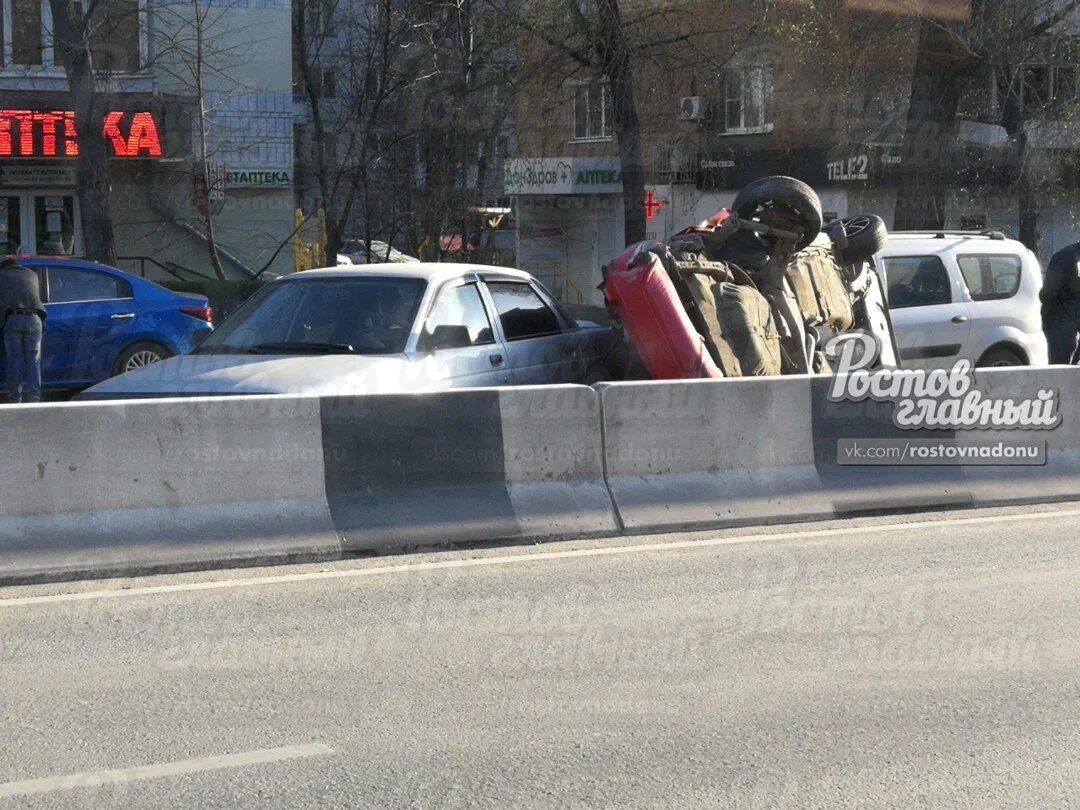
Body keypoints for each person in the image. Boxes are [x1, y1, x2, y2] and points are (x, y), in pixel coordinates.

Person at [0, 258, 47, 403]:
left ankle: (15, 398)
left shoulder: (2, 276)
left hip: (14, 319)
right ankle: (34, 399)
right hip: (35, 319)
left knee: (15, 361)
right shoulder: (32, 274)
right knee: (34, 361)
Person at [1040, 241, 1080, 365]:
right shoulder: (1067, 257)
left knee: (1059, 369)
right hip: (1061, 322)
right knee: (1061, 368)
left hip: (1060, 322)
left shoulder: (1065, 256)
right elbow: (1048, 293)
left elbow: (1047, 293)